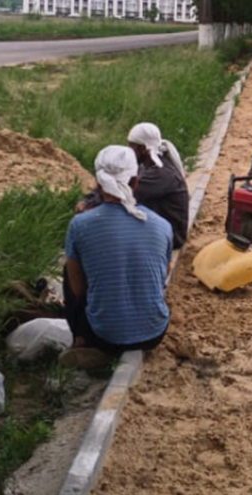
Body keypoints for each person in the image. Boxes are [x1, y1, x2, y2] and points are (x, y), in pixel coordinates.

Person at [61, 145, 173, 369]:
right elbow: (163, 276)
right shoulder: (162, 225)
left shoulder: (80, 225)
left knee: (69, 269)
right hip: (154, 334)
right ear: (135, 182)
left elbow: (79, 290)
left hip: (103, 336)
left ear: (98, 182)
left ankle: (82, 340)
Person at [127, 122, 189, 249]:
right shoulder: (152, 167)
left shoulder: (160, 174)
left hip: (172, 237)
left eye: (131, 147)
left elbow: (124, 195)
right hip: (165, 231)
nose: (129, 152)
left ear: (143, 149)